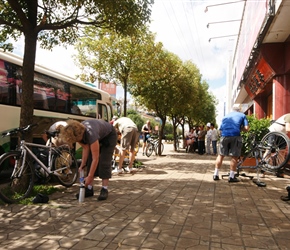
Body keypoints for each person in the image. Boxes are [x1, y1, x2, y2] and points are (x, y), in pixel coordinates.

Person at [59, 119, 117, 201]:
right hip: (98, 134)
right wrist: (83, 163)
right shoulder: (77, 133)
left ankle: (104, 189)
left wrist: (89, 176)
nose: (77, 142)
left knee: (104, 161)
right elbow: (86, 148)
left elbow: (96, 158)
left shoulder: (90, 133)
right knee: (89, 161)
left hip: (109, 135)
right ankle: (89, 189)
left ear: (79, 135)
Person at [213, 106, 249, 182]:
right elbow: (246, 128)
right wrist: (240, 129)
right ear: (240, 110)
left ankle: (215, 174)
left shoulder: (226, 116)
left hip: (224, 136)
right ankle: (231, 177)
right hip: (235, 136)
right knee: (234, 156)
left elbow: (220, 129)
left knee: (220, 155)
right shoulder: (242, 115)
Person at [268, 113, 290, 201]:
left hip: (282, 134)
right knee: (269, 149)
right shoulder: (289, 116)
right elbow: (288, 129)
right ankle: (265, 165)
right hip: (274, 131)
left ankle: (280, 171)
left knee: (282, 151)